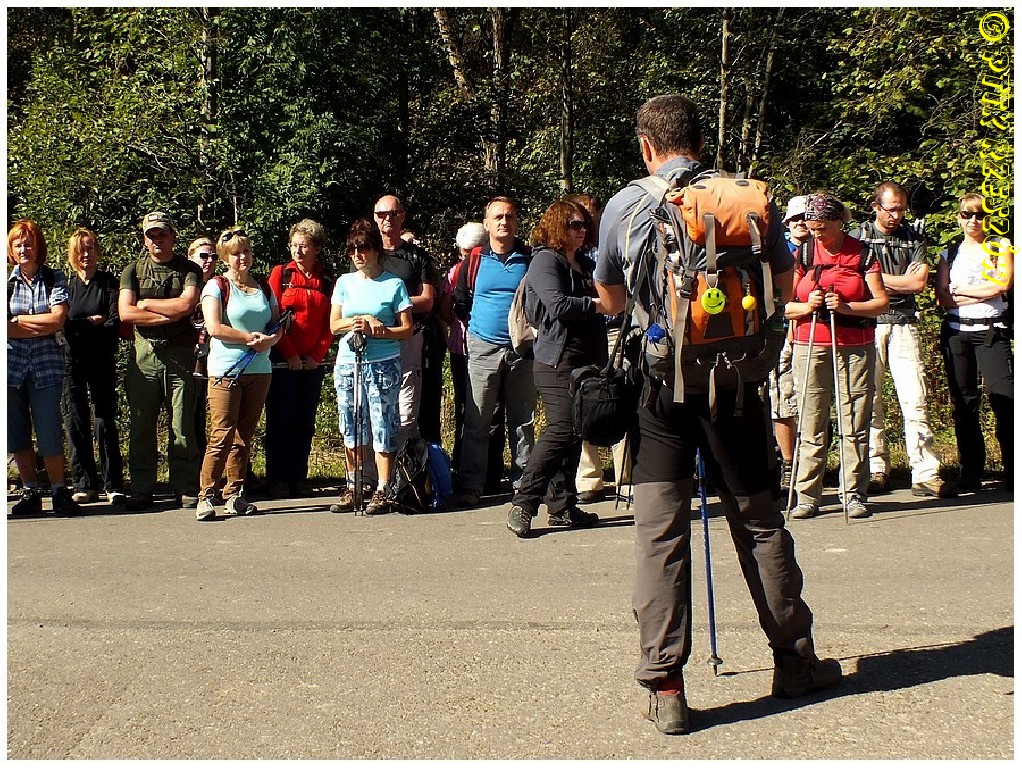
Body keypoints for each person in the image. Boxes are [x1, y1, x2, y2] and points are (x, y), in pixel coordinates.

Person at [594, 94, 842, 736]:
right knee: (759, 522)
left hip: (661, 390)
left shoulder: (625, 205)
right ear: (700, 144)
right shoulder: (747, 201)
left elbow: (611, 299)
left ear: (646, 146)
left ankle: (667, 688)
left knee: (661, 533)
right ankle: (795, 661)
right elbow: (784, 287)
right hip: (736, 385)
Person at [506, 200, 606, 536]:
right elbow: (558, 304)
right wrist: (598, 304)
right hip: (555, 361)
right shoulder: (545, 260)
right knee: (562, 427)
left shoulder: (585, 263)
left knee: (576, 430)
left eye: (584, 225)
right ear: (557, 227)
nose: (581, 230)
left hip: (586, 360)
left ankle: (562, 506)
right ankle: (524, 503)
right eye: (574, 225)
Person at [787, 193, 890, 520]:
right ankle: (807, 496)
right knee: (811, 420)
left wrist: (846, 307)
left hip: (854, 343)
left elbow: (881, 303)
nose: (816, 234)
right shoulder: (803, 252)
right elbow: (784, 305)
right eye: (812, 227)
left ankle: (853, 494)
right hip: (810, 342)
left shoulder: (862, 253)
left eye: (822, 228)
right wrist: (807, 306)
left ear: (838, 223)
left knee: (854, 419)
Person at [852, 181, 951, 498]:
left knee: (915, 397)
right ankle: (875, 469)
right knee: (869, 400)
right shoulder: (858, 237)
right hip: (867, 323)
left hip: (905, 322)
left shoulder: (914, 237)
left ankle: (925, 472)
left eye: (901, 209)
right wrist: (896, 281)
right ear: (875, 206)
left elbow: (918, 283)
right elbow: (853, 280)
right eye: (891, 209)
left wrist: (875, 279)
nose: (897, 215)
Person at [450, 197, 536, 509]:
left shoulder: (530, 257)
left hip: (522, 350)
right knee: (477, 420)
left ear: (517, 221)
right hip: (482, 348)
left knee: (522, 421)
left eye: (509, 216)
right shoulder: (474, 260)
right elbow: (461, 301)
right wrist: (479, 330)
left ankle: (524, 486)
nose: (504, 222)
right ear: (486, 224)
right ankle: (471, 485)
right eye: (498, 217)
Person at [195, 228, 282, 521]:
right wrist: (248, 338)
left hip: (260, 370)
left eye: (246, 251)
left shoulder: (264, 288)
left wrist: (269, 341)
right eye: (235, 253)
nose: (242, 257)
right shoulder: (217, 286)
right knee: (221, 434)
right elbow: (214, 327)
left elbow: (277, 325)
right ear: (225, 258)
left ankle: (235, 494)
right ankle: (206, 496)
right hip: (226, 371)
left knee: (244, 436)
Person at [119, 211, 203, 512]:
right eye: (151, 235)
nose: (157, 240)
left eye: (162, 234)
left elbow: (186, 304)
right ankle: (142, 488)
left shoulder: (189, 269)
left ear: (173, 236)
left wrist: (145, 304)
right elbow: (125, 313)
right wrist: (166, 315)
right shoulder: (132, 270)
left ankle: (185, 486)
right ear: (145, 239)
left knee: (182, 424)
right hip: (144, 356)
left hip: (180, 355)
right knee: (142, 425)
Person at [328, 219, 413, 515]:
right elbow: (334, 325)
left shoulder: (394, 284)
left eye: (362, 248)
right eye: (352, 249)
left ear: (376, 249)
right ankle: (354, 485)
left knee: (383, 422)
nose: (357, 254)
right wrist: (360, 320)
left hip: (383, 363)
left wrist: (381, 330)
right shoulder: (344, 282)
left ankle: (383, 487)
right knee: (350, 423)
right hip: (348, 362)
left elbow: (406, 329)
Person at [935, 193, 1014, 491]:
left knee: (1004, 400)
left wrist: (963, 293)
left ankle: (1013, 469)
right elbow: (942, 296)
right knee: (964, 403)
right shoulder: (950, 252)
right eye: (967, 215)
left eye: (980, 215)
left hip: (991, 332)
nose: (973, 221)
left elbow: (1001, 284)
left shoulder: (1000, 247)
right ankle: (970, 471)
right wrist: (982, 292)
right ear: (959, 218)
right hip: (957, 333)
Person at [7, 220, 82, 518]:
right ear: (11, 249)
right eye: (18, 244)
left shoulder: (54, 278)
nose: (23, 249)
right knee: (17, 432)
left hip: (47, 366)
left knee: (49, 429)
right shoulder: (6, 282)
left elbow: (57, 320)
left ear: (38, 247)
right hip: (11, 367)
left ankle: (59, 491)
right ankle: (30, 491)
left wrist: (19, 322)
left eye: (29, 244)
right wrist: (39, 325)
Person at [265, 219, 334, 499]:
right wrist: (290, 354)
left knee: (305, 421)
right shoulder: (280, 274)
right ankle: (277, 479)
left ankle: (299, 478)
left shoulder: (326, 280)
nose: (297, 251)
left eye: (304, 246)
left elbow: (331, 322)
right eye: (294, 245)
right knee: (281, 420)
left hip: (313, 364)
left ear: (316, 248)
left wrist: (316, 355)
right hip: (283, 361)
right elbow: (273, 318)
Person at [571, 192, 632, 504]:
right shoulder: (570, 254)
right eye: (580, 217)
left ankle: (626, 477)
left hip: (616, 330)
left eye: (592, 214)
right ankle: (589, 480)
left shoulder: (615, 243)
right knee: (585, 400)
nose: (586, 222)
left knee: (619, 398)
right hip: (585, 333)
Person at [60, 228, 126, 505]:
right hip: (71, 360)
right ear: (72, 254)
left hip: (102, 359)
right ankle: (84, 483)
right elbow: (62, 324)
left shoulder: (108, 282)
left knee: (105, 420)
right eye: (80, 250)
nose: (85, 254)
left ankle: (113, 484)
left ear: (97, 250)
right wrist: (91, 322)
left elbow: (114, 322)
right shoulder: (65, 285)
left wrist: (84, 326)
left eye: (89, 248)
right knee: (75, 420)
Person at [373, 195, 440, 449]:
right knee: (377, 406)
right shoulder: (367, 255)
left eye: (393, 213)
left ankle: (407, 463)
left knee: (408, 410)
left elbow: (427, 300)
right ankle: (377, 466)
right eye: (382, 214)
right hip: (375, 341)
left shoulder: (417, 256)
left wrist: (391, 302)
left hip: (410, 340)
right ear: (375, 218)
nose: (387, 219)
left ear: (402, 216)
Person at [438, 221, 487, 480]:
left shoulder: (489, 270)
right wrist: (458, 327)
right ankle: (461, 462)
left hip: (487, 347)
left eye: (474, 250)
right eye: (465, 252)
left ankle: (487, 467)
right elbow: (444, 308)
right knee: (465, 407)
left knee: (488, 410)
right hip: (461, 349)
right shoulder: (454, 273)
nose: (469, 257)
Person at [769, 196, 809, 490]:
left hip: (814, 333)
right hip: (780, 333)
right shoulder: (779, 251)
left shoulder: (823, 250)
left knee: (810, 400)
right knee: (782, 399)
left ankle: (811, 463)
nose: (801, 223)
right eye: (795, 218)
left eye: (806, 217)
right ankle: (788, 463)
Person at [188, 237, 218, 455]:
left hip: (217, 357)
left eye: (214, 256)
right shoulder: (183, 286)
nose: (209, 261)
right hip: (190, 358)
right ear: (190, 257)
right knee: (193, 415)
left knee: (223, 416)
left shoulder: (221, 285)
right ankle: (196, 464)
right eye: (204, 256)